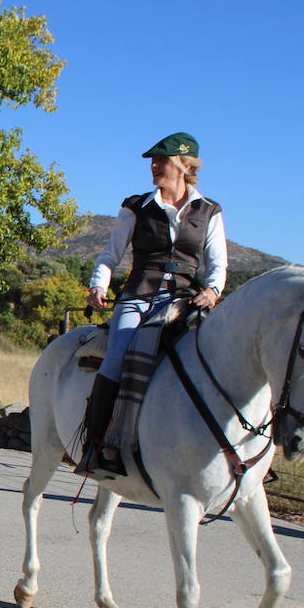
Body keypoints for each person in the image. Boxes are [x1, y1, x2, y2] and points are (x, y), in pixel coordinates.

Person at [77, 131, 227, 475]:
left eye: (162, 160)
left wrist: (213, 290)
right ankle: (96, 446)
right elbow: (110, 254)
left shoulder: (209, 211)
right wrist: (99, 284)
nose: (154, 166)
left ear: (184, 165)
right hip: (138, 296)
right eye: (153, 160)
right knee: (117, 356)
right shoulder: (135, 207)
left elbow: (217, 264)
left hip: (185, 299)